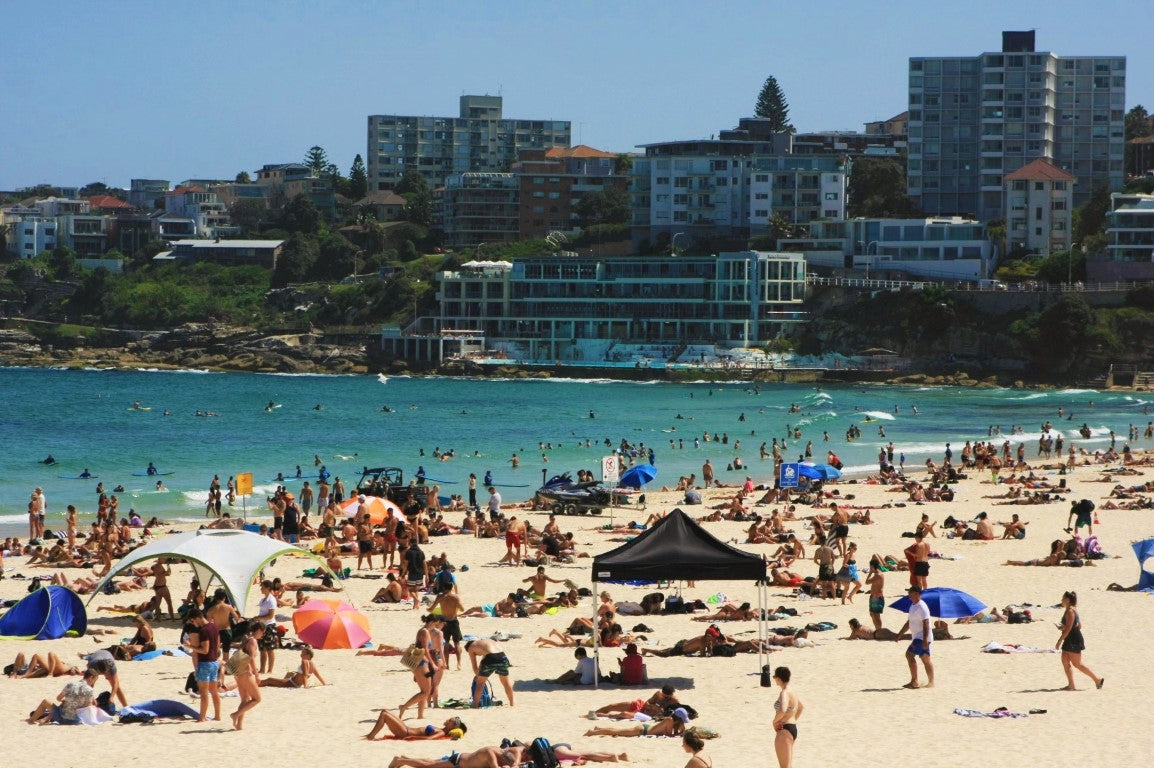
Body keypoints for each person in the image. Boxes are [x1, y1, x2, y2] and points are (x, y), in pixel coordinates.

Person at [1056, 590, 1103, 691]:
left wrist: (1059, 640)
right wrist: (1063, 627)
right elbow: (1078, 625)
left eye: (1063, 598)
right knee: (1065, 660)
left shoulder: (1070, 611)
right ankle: (1071, 685)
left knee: (1077, 664)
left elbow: (1069, 628)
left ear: (1067, 600)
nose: (1061, 600)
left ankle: (1097, 680)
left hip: (1073, 639)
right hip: (1070, 638)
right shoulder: (1071, 609)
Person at [895, 585, 934, 689]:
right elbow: (909, 622)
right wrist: (900, 634)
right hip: (919, 636)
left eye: (910, 593)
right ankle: (931, 682)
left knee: (909, 655)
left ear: (917, 594)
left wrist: (925, 640)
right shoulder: (913, 605)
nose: (909, 595)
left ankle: (914, 681)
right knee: (925, 658)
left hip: (921, 637)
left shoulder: (922, 606)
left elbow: (926, 623)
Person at [27, 669, 98, 724]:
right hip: (75, 721)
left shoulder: (71, 684)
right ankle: (46, 718)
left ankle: (31, 720)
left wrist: (66, 701)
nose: (94, 683)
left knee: (45, 701)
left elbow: (58, 698)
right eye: (94, 680)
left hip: (61, 718)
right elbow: (88, 706)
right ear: (91, 678)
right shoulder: (89, 690)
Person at [188, 607, 222, 722]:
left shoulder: (203, 630)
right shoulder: (213, 626)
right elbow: (217, 646)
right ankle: (217, 716)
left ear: (197, 618)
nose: (193, 623)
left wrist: (190, 646)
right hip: (214, 662)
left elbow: (204, 650)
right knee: (214, 691)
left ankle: (202, 717)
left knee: (204, 693)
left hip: (205, 663)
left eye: (193, 621)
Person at [227, 623, 261, 730]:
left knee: (245, 700)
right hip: (245, 670)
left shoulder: (246, 638)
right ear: (259, 630)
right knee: (257, 699)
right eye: (262, 632)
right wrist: (256, 674)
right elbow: (251, 657)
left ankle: (239, 725)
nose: (262, 635)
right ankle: (235, 715)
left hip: (237, 670)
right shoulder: (253, 640)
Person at [466, 638, 515, 707]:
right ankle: (512, 703)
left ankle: (475, 705)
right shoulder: (484, 642)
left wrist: (478, 676)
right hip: (502, 657)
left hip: (490, 658)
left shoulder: (471, 648)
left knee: (480, 683)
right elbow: (484, 659)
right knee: (506, 682)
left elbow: (475, 667)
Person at [772, 666, 803, 768]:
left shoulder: (784, 692)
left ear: (779, 679)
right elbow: (800, 708)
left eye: (774, 677)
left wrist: (775, 722)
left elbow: (782, 710)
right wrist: (792, 720)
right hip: (792, 728)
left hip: (784, 730)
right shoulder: (792, 691)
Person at [584, 708, 690, 737]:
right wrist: (680, 733)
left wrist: (681, 728)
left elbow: (676, 731)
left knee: (618, 731)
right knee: (617, 732)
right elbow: (668, 734)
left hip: (645, 728)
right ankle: (592, 732)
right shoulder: (670, 720)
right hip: (642, 731)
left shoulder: (672, 720)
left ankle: (598, 729)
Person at [365, 712, 467, 741]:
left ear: (453, 726)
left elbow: (429, 739)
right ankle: (370, 735)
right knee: (385, 711)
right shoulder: (441, 729)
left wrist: (412, 737)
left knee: (384, 715)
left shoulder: (442, 732)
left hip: (405, 732)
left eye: (450, 720)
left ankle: (370, 736)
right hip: (406, 728)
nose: (447, 719)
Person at [259, 646, 327, 688]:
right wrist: (325, 684)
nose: (301, 655)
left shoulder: (304, 661)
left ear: (308, 655)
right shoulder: (312, 664)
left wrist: (305, 686)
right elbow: (318, 676)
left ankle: (254, 685)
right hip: (294, 683)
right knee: (270, 683)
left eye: (303, 653)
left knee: (269, 680)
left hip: (291, 683)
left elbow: (305, 674)